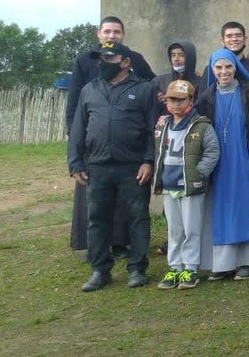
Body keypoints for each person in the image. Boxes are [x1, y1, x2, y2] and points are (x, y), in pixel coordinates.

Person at [68, 41, 157, 292]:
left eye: (109, 58)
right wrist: (75, 162)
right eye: (101, 59)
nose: (103, 63)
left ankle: (138, 268)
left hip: (133, 166)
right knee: (97, 218)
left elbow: (152, 130)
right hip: (97, 165)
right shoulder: (89, 90)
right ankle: (100, 270)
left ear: (125, 62)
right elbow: (78, 129)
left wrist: (148, 160)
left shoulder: (144, 89)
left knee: (137, 217)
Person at [195, 49, 249, 281]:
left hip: (246, 160)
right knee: (221, 212)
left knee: (248, 210)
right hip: (218, 165)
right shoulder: (205, 99)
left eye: (228, 67)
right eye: (219, 68)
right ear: (213, 70)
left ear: (236, 68)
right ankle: (223, 263)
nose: (224, 72)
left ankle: (248, 262)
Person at [152, 80, 220, 290]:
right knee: (174, 229)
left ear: (191, 100)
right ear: (166, 101)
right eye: (173, 100)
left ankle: (190, 268)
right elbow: (157, 152)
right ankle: (174, 266)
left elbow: (212, 151)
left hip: (191, 185)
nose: (177, 105)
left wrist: (199, 172)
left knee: (191, 228)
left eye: (182, 100)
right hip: (170, 184)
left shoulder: (201, 125)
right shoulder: (162, 124)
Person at [203, 22, 249, 91]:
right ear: (222, 41)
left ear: (245, 39)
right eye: (229, 36)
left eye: (238, 35)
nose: (234, 39)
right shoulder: (211, 69)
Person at [154, 40, 202, 114]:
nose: (176, 59)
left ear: (190, 57)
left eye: (181, 55)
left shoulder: (200, 83)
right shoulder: (159, 82)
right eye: (173, 55)